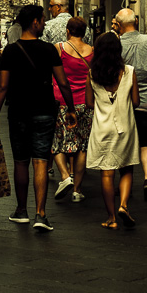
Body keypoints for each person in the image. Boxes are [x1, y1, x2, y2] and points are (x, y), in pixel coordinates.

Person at [0, 4, 76, 231]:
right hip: (45, 110)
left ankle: (21, 211)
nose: (45, 23)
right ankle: (41, 214)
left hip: (18, 111)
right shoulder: (49, 50)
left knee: (21, 161)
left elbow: (2, 86)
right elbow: (63, 82)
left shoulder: (10, 51)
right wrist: (71, 109)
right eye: (43, 20)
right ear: (35, 22)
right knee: (40, 160)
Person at [85, 31, 140, 229]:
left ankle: (111, 218)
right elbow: (136, 101)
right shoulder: (129, 72)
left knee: (107, 173)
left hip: (102, 128)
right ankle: (124, 205)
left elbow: (89, 103)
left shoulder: (92, 74)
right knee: (126, 168)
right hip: (125, 126)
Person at [115, 8, 147, 201]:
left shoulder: (117, 44)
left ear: (119, 25)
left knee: (123, 143)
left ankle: (123, 181)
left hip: (125, 104)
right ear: (136, 21)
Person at [51, 16, 94, 202]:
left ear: (68, 31)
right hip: (85, 103)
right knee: (82, 146)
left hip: (61, 102)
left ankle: (64, 176)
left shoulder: (59, 48)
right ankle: (77, 190)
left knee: (57, 142)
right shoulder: (92, 51)